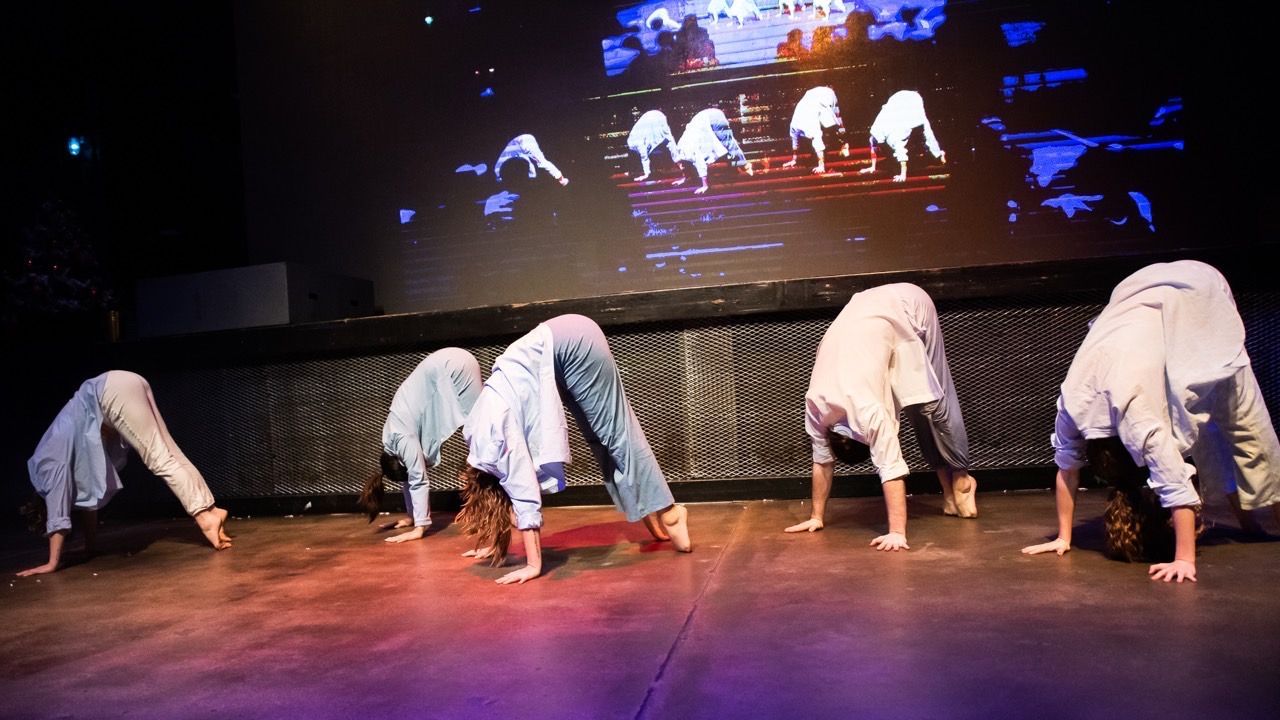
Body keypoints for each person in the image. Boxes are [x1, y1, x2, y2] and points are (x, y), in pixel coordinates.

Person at [1022, 260, 1280, 583]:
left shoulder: (1137, 417)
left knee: (1246, 422)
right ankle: (1251, 520)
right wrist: (1064, 536)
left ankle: (1266, 517)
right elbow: (1067, 470)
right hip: (1136, 288)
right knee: (1201, 416)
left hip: (1199, 290)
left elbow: (1176, 487)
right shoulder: (1072, 403)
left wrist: (1184, 559)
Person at [459, 314, 691, 585]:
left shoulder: (497, 445)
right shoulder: (477, 446)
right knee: (598, 436)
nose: (514, 520)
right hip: (555, 349)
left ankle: (670, 512)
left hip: (571, 342)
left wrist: (534, 565)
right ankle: (646, 507)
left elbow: (522, 494)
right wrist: (495, 545)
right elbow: (497, 491)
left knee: (614, 432)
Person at [785, 283, 978, 549]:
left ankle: (961, 476)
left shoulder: (870, 415)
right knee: (916, 404)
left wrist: (897, 532)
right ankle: (947, 490)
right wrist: (816, 516)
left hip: (909, 304)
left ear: (866, 441)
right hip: (869, 312)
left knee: (934, 400)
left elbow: (891, 472)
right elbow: (822, 462)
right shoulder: (816, 405)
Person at [17, 371, 232, 576]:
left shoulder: (45, 469)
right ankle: (212, 511)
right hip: (122, 383)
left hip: (111, 392)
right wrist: (90, 547)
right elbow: (89, 505)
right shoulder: (53, 459)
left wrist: (52, 563)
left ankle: (204, 518)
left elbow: (58, 513)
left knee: (159, 458)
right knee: (170, 452)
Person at [358, 348, 482, 543]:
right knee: (479, 433)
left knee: (481, 434)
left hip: (453, 367)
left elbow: (417, 478)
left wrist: (420, 527)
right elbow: (409, 480)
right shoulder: (390, 438)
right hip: (447, 361)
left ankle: (508, 507)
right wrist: (411, 516)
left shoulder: (401, 437)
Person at [858, 90, 945, 182]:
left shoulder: (894, 138)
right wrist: (873, 166)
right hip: (897, 100)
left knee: (925, 128)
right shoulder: (875, 132)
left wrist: (903, 174)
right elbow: (873, 148)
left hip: (912, 100)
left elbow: (902, 155)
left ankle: (938, 154)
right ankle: (938, 153)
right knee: (923, 129)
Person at [673, 108, 753, 195]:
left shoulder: (689, 151)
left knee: (727, 142)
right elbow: (683, 166)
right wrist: (684, 178)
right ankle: (736, 162)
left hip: (713, 117)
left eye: (681, 165)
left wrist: (705, 185)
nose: (680, 167)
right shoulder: (679, 151)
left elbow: (701, 165)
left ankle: (746, 165)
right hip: (702, 117)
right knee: (724, 142)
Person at [782, 86, 849, 174]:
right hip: (814, 97)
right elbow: (795, 143)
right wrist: (794, 159)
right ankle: (844, 143)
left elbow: (818, 145)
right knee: (833, 120)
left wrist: (821, 165)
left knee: (835, 120)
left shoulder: (808, 125)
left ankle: (844, 144)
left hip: (825, 96)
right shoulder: (797, 125)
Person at [494, 134, 569, 186]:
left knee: (541, 163)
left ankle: (561, 179)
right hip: (518, 147)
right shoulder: (500, 168)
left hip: (523, 142)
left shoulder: (499, 170)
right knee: (531, 171)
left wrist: (560, 178)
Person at [626, 109, 678, 181]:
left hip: (654, 120)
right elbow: (644, 156)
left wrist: (647, 173)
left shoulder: (634, 142)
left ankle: (678, 161)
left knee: (667, 140)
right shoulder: (635, 142)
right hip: (654, 120)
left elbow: (644, 156)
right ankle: (678, 161)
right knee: (667, 140)